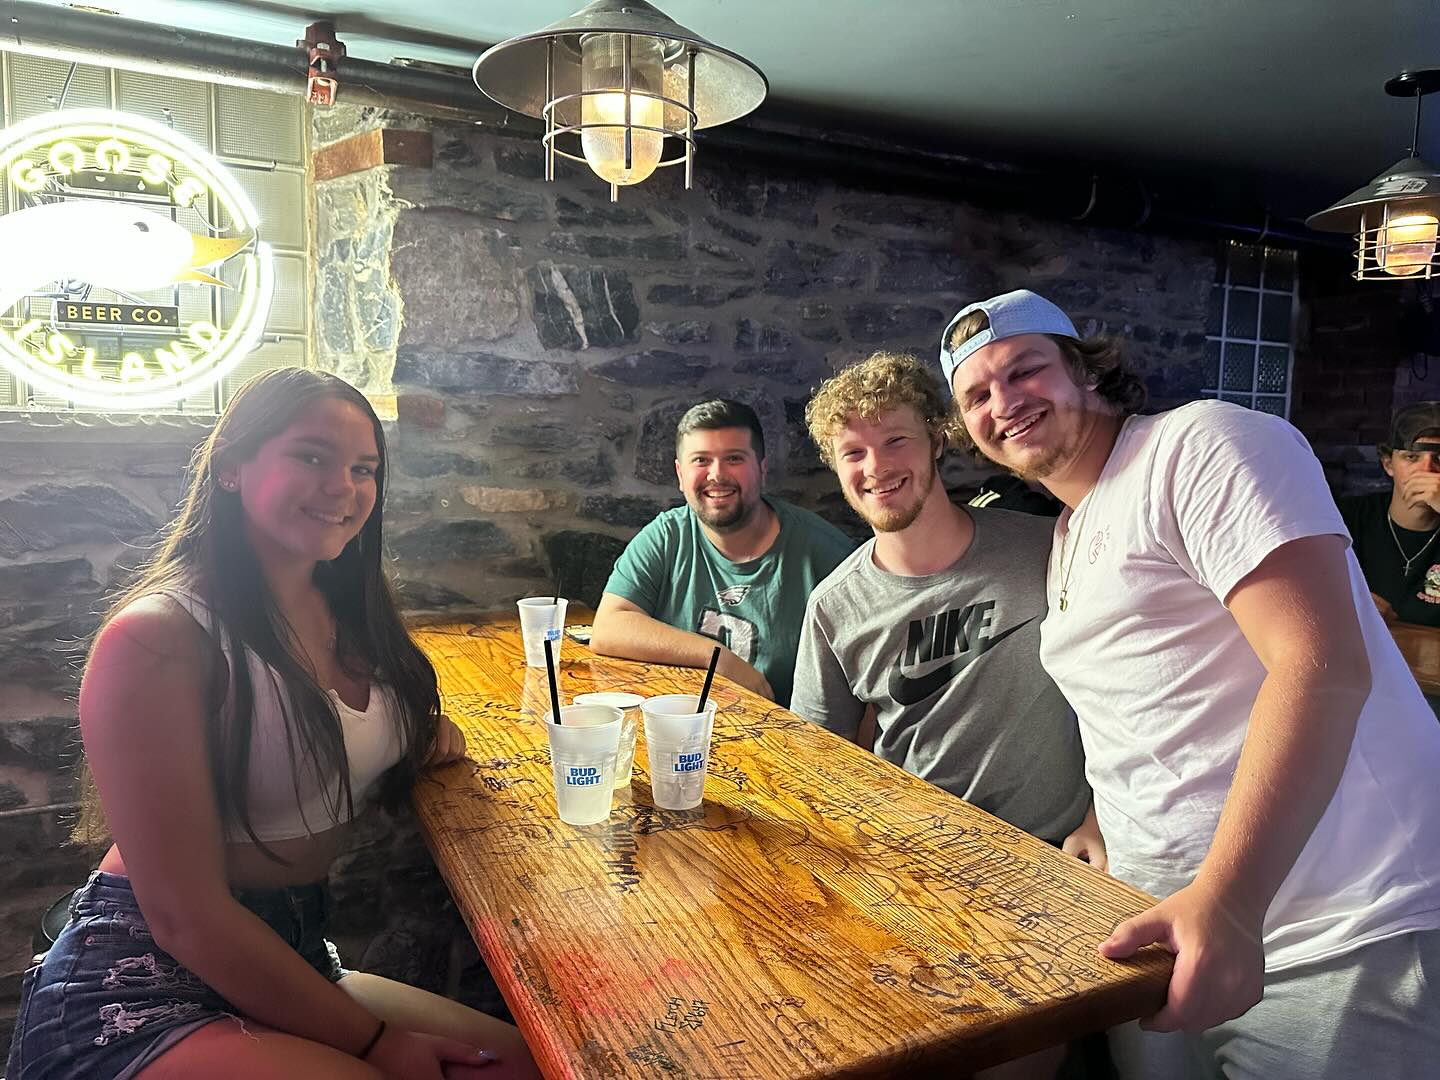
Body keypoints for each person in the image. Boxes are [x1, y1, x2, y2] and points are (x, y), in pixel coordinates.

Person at [944, 288, 1440, 1079]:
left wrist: (1231, 902)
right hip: (1161, 929)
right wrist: (1105, 816)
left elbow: (1320, 668)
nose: (1003, 402)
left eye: (1025, 369)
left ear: (1084, 369)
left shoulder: (1200, 445)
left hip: (1335, 931)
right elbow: (1154, 693)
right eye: (976, 395)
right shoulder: (1069, 532)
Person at [5, 369, 539, 1080]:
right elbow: (186, 916)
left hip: (293, 952)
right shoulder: (157, 637)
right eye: (312, 456)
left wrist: (425, 737)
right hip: (145, 980)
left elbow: (370, 732)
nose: (342, 487)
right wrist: (377, 1043)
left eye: (363, 469)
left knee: (526, 1065)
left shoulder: (347, 608)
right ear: (231, 467)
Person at [793, 351, 1098, 855]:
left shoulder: (1050, 546)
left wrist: (1098, 817)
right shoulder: (833, 607)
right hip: (919, 860)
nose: (876, 467)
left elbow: (1127, 692)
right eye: (853, 452)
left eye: (896, 440)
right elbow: (818, 763)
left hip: (1059, 851)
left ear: (936, 440)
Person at [591, 399, 854, 707]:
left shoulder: (826, 553)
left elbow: (864, 683)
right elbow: (608, 627)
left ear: (762, 469)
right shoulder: (667, 535)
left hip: (785, 732)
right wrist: (716, 658)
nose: (716, 474)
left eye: (734, 459)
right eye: (701, 460)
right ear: (680, 474)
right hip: (684, 727)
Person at [1337, 401, 1440, 626]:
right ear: (1388, 464)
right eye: (1411, 457)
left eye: (1439, 459)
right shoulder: (1346, 518)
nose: (1426, 470)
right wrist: (1340, 600)